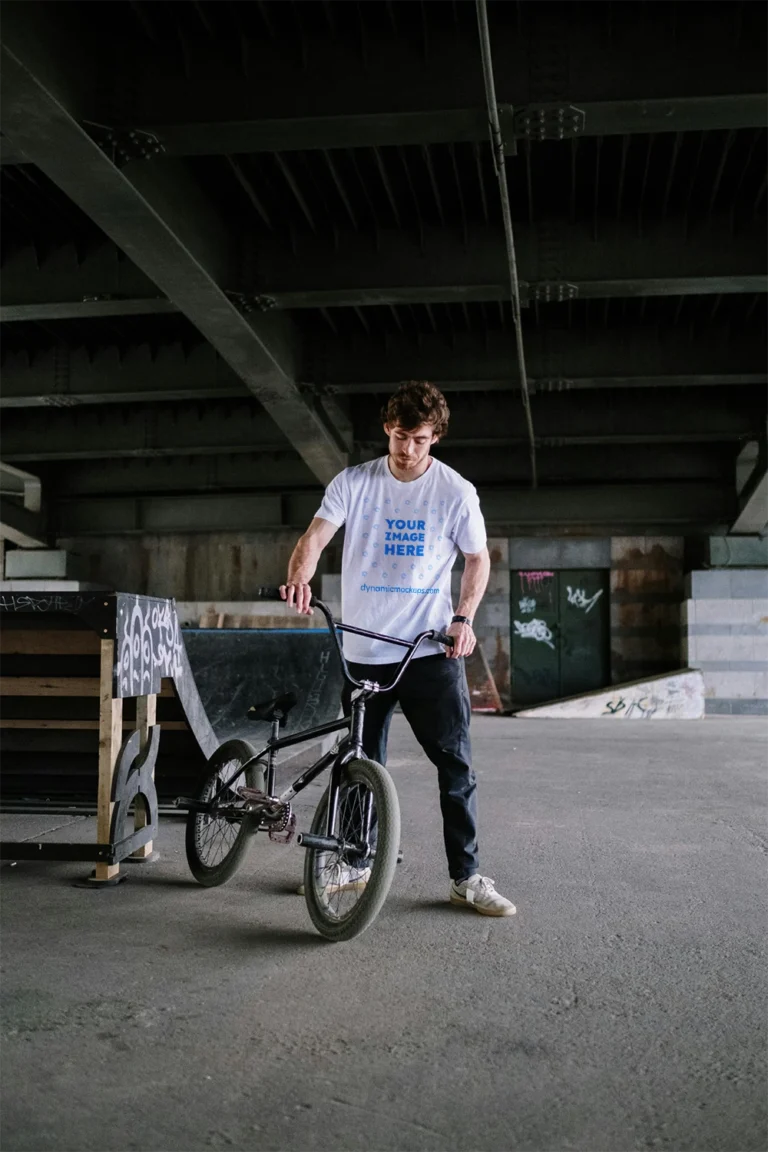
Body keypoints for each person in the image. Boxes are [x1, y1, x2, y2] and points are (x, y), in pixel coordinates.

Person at [280, 380, 515, 917]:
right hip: (362, 651)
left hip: (429, 652)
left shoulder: (455, 492)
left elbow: (477, 561)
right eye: (400, 436)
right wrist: (299, 576)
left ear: (435, 438)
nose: (408, 449)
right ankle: (355, 862)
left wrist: (463, 618)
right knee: (360, 764)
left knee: (455, 765)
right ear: (388, 429)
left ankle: (466, 876)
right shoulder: (354, 483)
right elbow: (314, 537)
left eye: (420, 439)